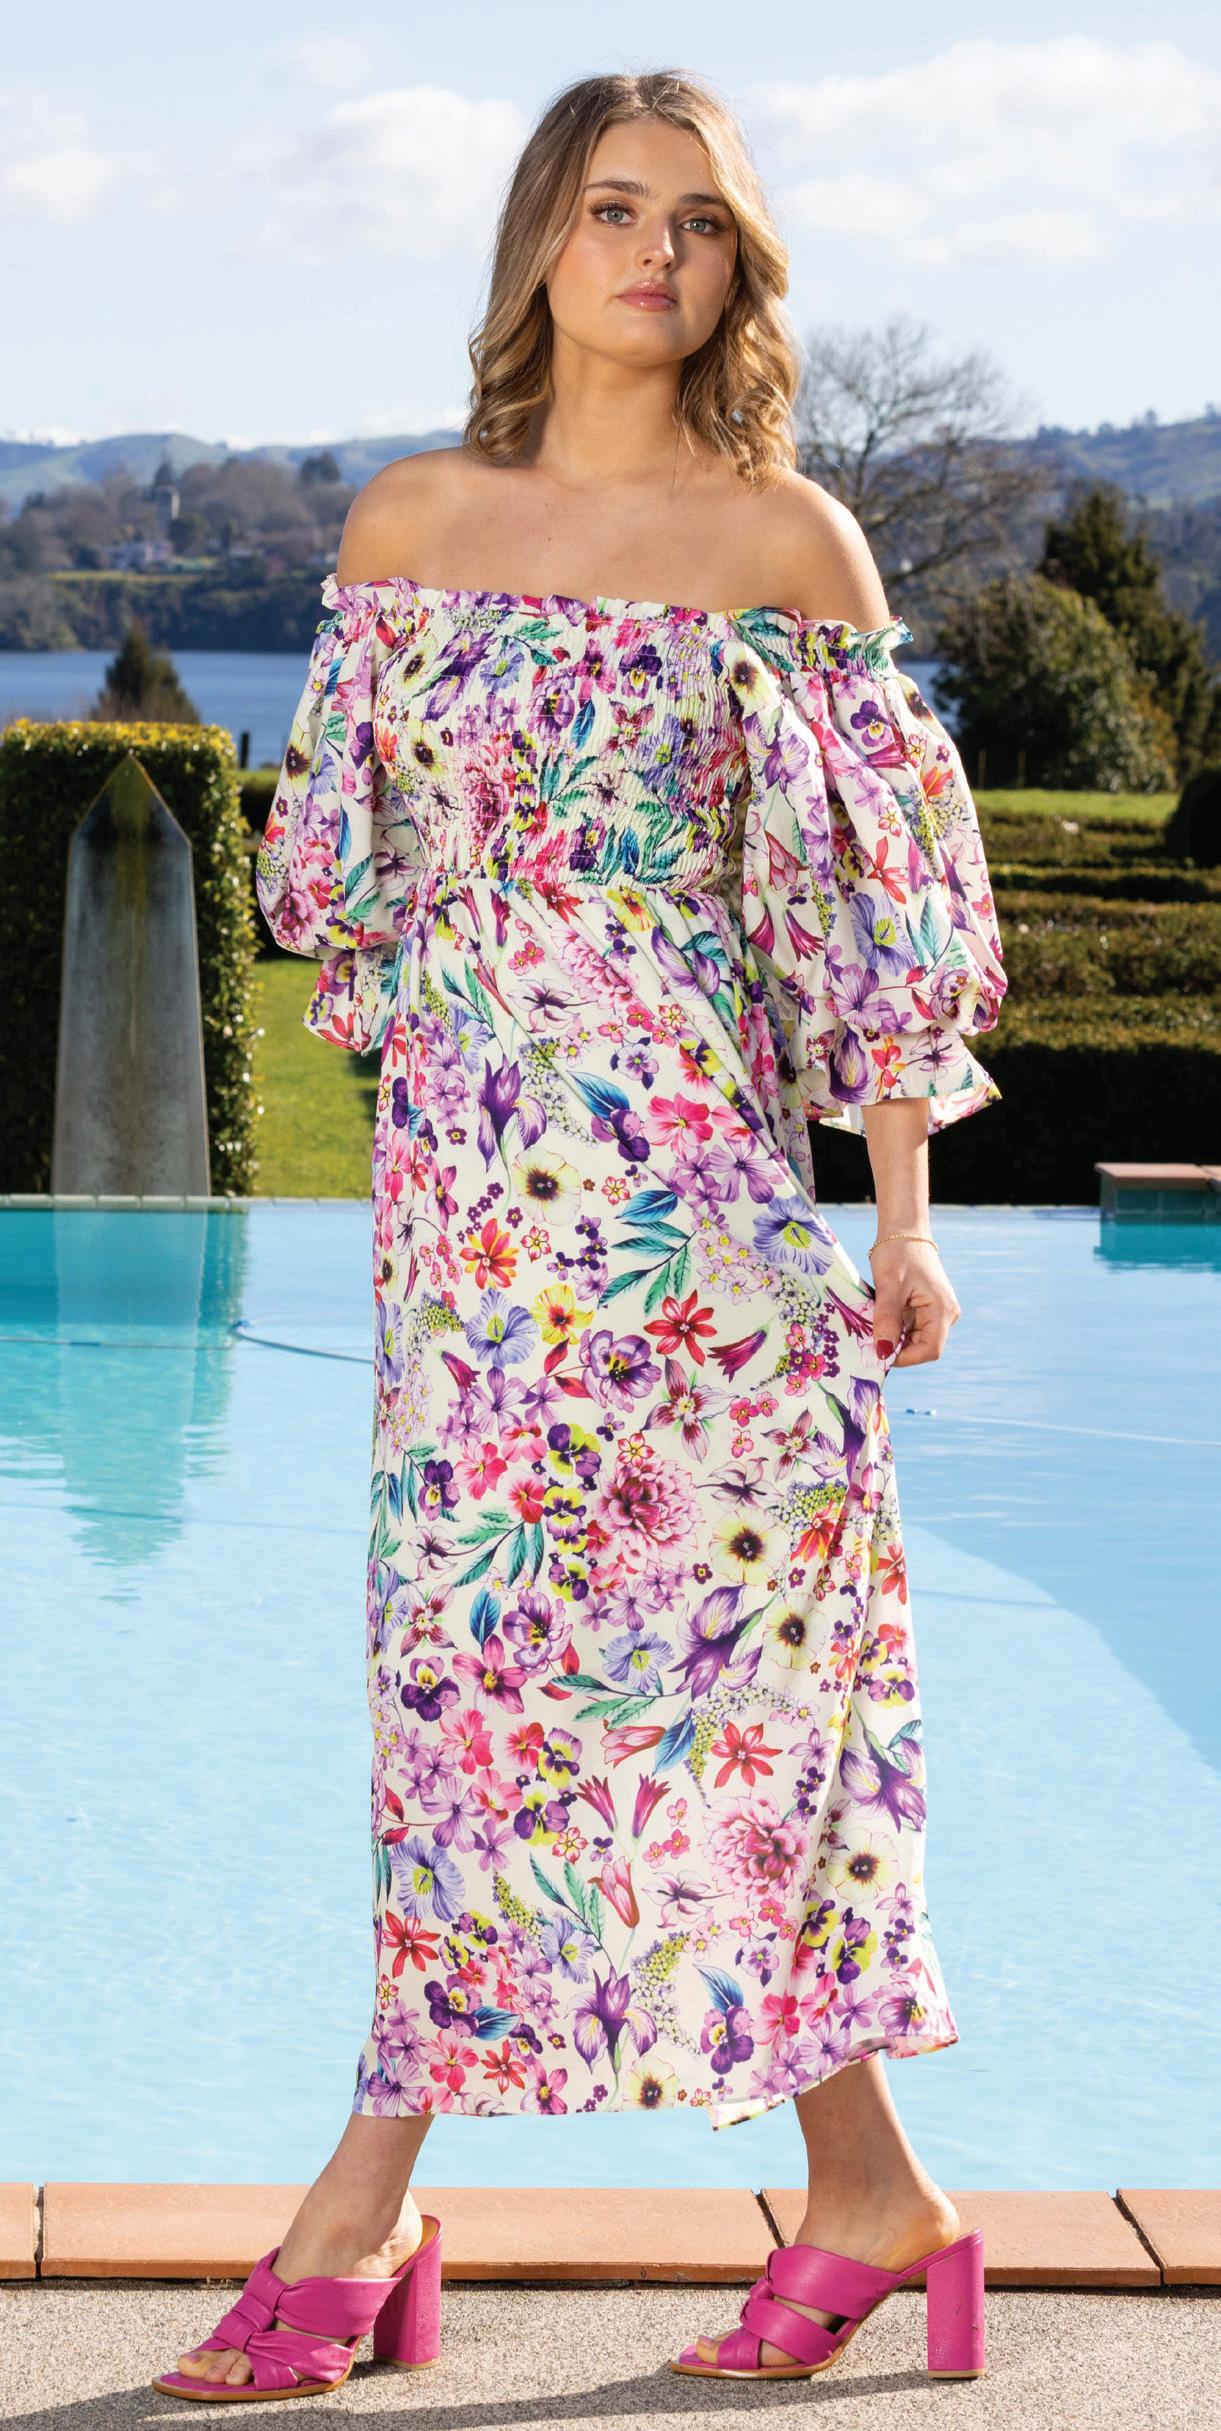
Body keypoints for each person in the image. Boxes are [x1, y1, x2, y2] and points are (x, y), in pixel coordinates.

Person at [152, 67, 1005, 2402]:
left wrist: (902, 1224)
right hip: (470, 1257)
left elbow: (879, 927)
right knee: (470, 1715)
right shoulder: (411, 521)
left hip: (702, 1246)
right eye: (614, 209)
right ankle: (869, 2196)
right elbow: (333, 881)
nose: (654, 254)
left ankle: (362, 2211)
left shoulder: (787, 545)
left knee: (737, 1721)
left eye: (697, 224)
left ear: (738, 270)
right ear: (540, 237)